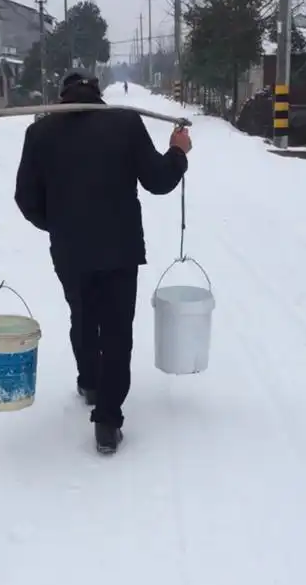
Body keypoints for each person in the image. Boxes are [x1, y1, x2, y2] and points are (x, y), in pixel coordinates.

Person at [14, 68, 192, 455]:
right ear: (98, 95)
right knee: (116, 331)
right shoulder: (125, 124)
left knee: (83, 315)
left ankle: (91, 382)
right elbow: (158, 180)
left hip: (70, 250)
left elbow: (26, 199)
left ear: (62, 97)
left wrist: (58, 224)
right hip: (120, 250)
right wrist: (178, 152)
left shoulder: (40, 134)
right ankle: (108, 421)